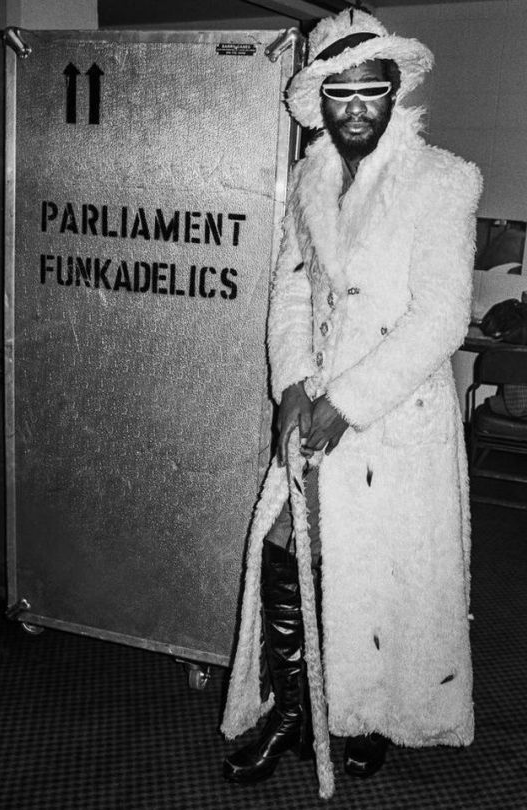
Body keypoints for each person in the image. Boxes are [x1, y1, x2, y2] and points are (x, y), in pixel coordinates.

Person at [221, 7, 482, 798]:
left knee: (380, 572)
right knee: (282, 546)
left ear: (395, 90)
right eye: (343, 93)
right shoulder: (309, 178)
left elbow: (439, 318)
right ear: (323, 99)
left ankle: (364, 712)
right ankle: (298, 708)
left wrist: (346, 401)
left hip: (392, 413)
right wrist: (295, 387)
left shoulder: (445, 180)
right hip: (316, 407)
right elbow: (292, 293)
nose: (358, 106)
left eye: (374, 90)